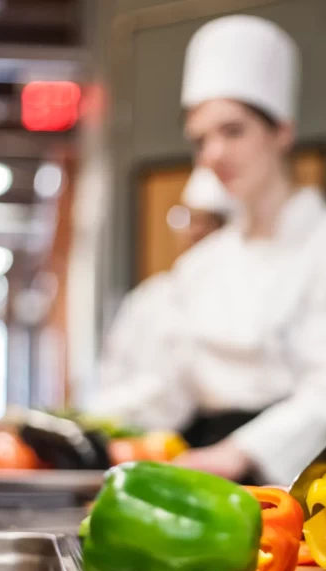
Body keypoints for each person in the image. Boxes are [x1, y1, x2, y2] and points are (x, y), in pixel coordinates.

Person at [97, 14, 326, 485]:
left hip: (297, 467)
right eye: (200, 139)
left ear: (282, 132)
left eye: (232, 131)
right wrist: (95, 428)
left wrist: (240, 451)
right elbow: (169, 389)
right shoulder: (200, 265)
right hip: (201, 460)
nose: (212, 154)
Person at [86, 167, 234, 429]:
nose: (195, 231)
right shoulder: (148, 297)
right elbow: (114, 371)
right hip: (142, 434)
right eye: (189, 219)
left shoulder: (237, 297)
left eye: (210, 222)